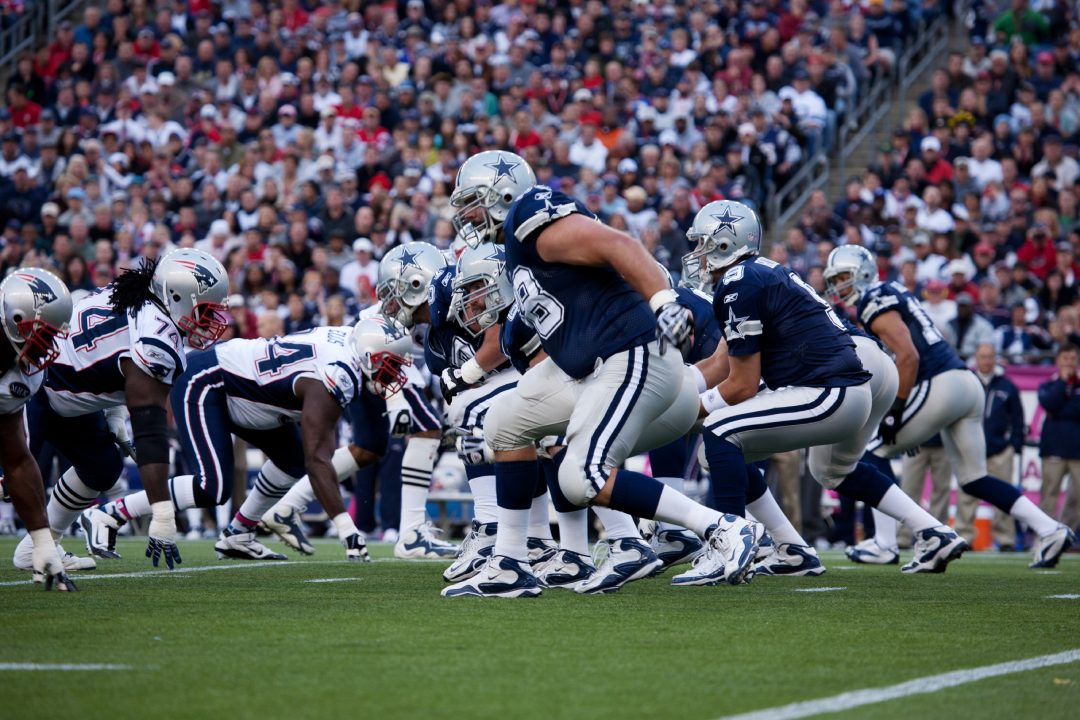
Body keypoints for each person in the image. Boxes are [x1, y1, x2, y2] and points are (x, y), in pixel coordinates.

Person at [454, 165, 759, 598]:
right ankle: (509, 562)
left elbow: (619, 244)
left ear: (502, 196)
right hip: (594, 368)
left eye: (471, 203)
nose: (466, 216)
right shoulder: (514, 254)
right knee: (503, 421)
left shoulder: (530, 217)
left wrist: (664, 303)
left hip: (632, 351)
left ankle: (720, 527)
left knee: (581, 478)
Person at [825, 246, 1073, 569]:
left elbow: (909, 356)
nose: (838, 286)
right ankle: (1049, 528)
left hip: (940, 382)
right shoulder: (894, 291)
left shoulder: (875, 300)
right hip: (963, 383)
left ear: (863, 273)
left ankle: (887, 543)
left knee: (873, 450)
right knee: (974, 478)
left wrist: (896, 412)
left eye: (843, 277)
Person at [12, 250, 230, 573]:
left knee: (102, 467)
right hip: (36, 381)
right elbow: (150, 430)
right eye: (206, 311)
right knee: (14, 476)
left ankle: (38, 549)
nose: (212, 321)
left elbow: (113, 354)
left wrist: (113, 414)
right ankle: (41, 544)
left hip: (63, 384)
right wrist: (162, 512)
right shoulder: (158, 339)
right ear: (176, 296)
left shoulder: (139, 294)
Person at [0, 269, 76, 590]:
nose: (47, 347)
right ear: (15, 319)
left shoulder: (23, 375)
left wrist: (42, 542)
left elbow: (17, 459)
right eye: (42, 334)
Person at [962, 343, 1024, 550]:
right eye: (982, 357)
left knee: (1003, 496)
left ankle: (1005, 539)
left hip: (999, 451)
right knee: (966, 496)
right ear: (976, 359)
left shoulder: (1007, 385)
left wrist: (1014, 446)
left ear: (995, 359)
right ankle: (964, 537)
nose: (986, 361)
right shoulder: (966, 381)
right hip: (970, 450)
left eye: (990, 357)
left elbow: (1018, 418)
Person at [1037, 345, 1080, 535]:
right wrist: (1063, 382)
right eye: (1065, 359)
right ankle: (1046, 535)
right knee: (1049, 495)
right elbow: (1049, 403)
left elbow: (1074, 410)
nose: (1069, 363)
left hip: (1077, 450)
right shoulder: (1048, 384)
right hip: (1053, 448)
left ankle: (1066, 535)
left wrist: (1060, 410)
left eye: (1072, 359)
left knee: (1077, 497)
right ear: (1057, 361)